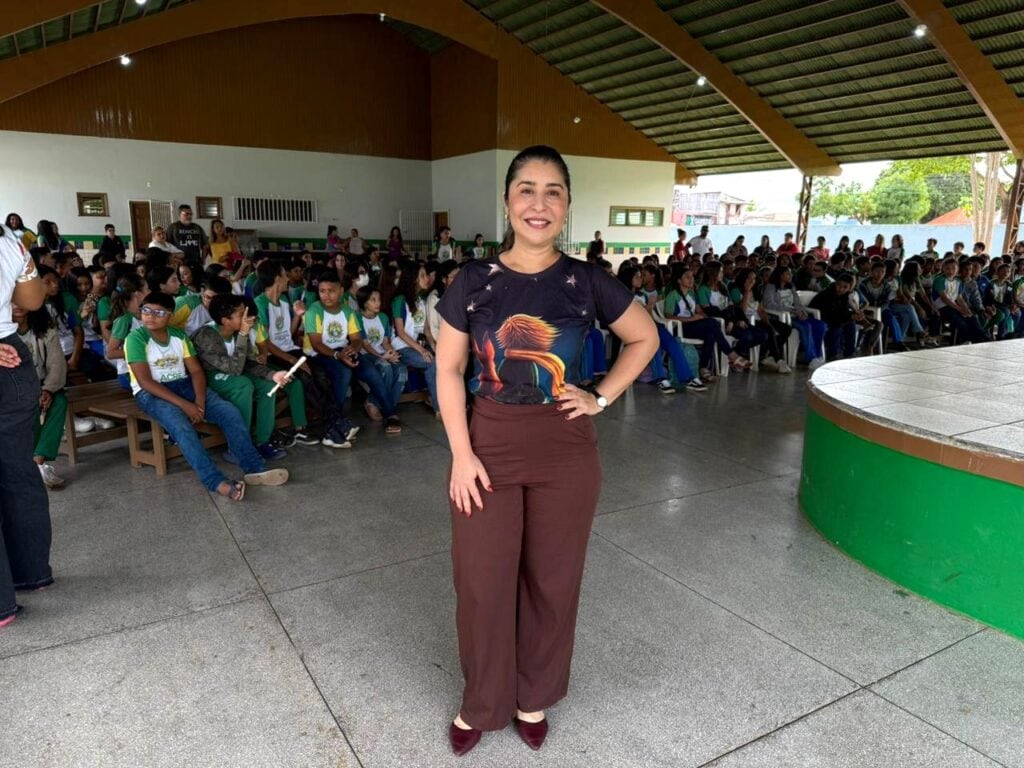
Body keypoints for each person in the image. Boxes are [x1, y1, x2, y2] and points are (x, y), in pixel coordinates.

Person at [435, 145, 657, 756]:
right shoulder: (472, 283)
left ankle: (533, 694)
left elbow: (644, 338)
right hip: (488, 444)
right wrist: (461, 452)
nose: (539, 203)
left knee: (552, 581)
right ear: (507, 201)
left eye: (553, 191)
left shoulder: (586, 282)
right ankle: (482, 700)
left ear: (566, 204)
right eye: (527, 189)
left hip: (565, 449)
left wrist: (600, 396)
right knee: (482, 580)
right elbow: (450, 370)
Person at [125, 292, 288, 500]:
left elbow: (195, 372)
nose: (150, 316)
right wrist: (187, 406)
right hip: (151, 393)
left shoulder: (178, 335)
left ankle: (254, 468)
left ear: (170, 315)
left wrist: (199, 402)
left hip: (184, 385)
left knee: (229, 412)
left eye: (158, 312)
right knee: (182, 426)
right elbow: (145, 382)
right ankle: (216, 482)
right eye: (146, 310)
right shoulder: (135, 339)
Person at [0, 222, 53, 629]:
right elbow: (32, 301)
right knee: (18, 473)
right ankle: (30, 573)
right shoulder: (8, 241)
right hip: (13, 362)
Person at [192, 294, 296, 461]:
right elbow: (233, 369)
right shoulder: (207, 335)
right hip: (209, 377)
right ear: (226, 321)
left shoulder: (237, 332)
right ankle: (238, 447)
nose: (248, 318)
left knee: (268, 386)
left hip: (235, 373)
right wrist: (243, 334)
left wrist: (273, 374)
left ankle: (262, 441)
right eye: (242, 314)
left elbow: (248, 363)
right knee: (243, 384)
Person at [12, 303, 69, 488]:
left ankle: (38, 461)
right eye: (11, 299)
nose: (17, 305)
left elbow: (57, 364)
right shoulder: (3, 330)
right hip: (10, 389)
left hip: (41, 386)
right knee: (28, 406)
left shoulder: (45, 328)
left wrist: (48, 390)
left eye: (20, 299)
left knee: (58, 401)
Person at [353, 285, 404, 433]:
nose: (378, 303)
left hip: (382, 352)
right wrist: (382, 357)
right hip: (365, 354)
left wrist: (391, 352)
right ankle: (388, 411)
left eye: (379, 299)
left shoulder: (382, 317)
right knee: (386, 367)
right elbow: (365, 344)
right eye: (373, 300)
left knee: (401, 370)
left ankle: (376, 402)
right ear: (364, 302)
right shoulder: (357, 317)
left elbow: (385, 341)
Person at [762, 266, 827, 369]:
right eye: (787, 273)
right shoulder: (771, 287)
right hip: (782, 317)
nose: (790, 276)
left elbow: (797, 303)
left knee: (820, 325)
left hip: (796, 314)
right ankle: (810, 357)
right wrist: (791, 310)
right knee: (805, 327)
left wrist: (802, 311)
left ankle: (817, 355)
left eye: (790, 273)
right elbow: (769, 305)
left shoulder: (791, 287)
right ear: (780, 275)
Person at [810, 274, 882, 360]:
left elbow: (843, 312)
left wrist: (853, 316)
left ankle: (850, 353)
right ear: (836, 283)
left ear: (849, 288)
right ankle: (832, 354)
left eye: (845, 287)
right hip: (819, 318)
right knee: (838, 326)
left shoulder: (844, 296)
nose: (841, 289)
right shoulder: (827, 294)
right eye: (839, 285)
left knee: (850, 323)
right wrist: (850, 316)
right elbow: (829, 313)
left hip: (833, 317)